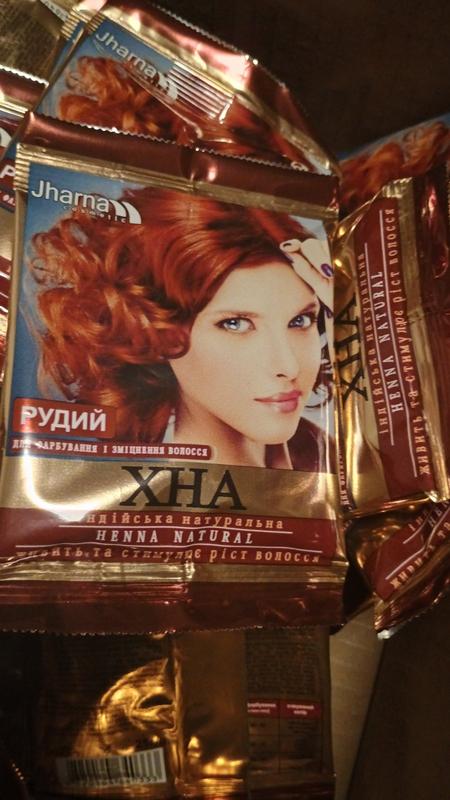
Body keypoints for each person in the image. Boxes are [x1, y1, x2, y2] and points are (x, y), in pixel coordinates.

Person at [28, 187, 334, 471]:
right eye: (235, 324)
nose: (288, 366)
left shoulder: (326, 459)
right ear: (157, 331)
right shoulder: (156, 502)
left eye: (300, 321)